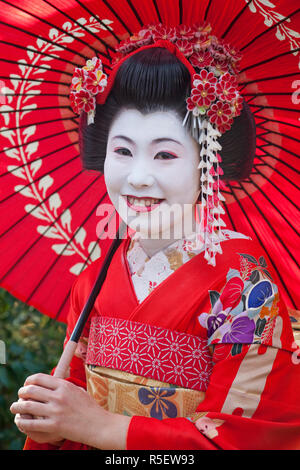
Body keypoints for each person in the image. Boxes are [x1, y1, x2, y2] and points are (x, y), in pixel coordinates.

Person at [10, 23, 300, 450]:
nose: (138, 178)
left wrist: (101, 430)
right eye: (122, 151)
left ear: (208, 164)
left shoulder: (246, 285)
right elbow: (73, 404)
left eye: (165, 154)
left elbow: (244, 438)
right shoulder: (94, 281)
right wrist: (52, 423)